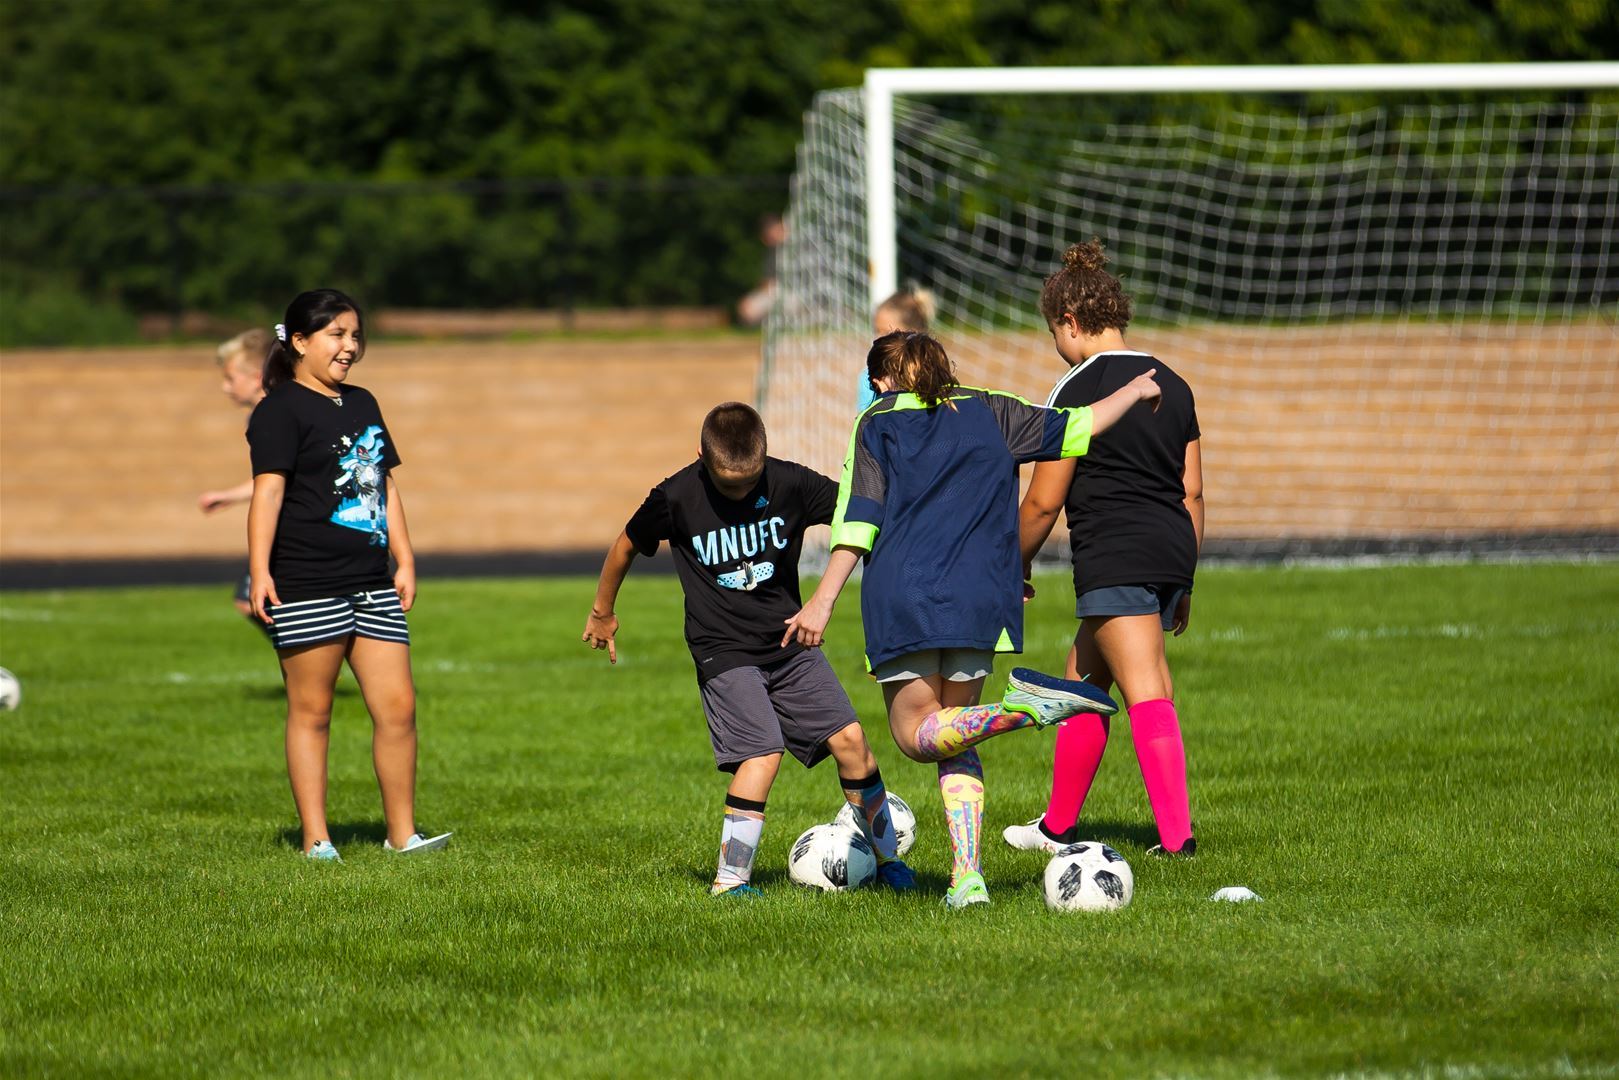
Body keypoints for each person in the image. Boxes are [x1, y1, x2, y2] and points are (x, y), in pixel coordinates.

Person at [784, 331, 1162, 908]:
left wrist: (822, 600)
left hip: (908, 597)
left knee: (916, 738)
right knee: (956, 732)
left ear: (882, 380)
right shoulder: (993, 409)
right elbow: (1079, 426)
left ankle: (1022, 709)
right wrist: (1133, 391)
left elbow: (859, 518)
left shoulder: (878, 421)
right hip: (984, 596)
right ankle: (967, 879)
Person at [583, 402, 916, 898]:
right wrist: (602, 611)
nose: (740, 493)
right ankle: (731, 881)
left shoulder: (792, 483)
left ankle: (889, 861)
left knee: (851, 740)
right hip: (722, 650)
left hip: (789, 640)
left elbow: (859, 514)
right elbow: (625, 545)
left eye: (749, 482)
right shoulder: (676, 496)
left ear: (765, 457)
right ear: (701, 458)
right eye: (728, 485)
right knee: (762, 752)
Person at [1010, 239, 1203, 859]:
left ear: (1070, 322)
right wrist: (1184, 578)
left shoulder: (1074, 390)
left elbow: (1043, 503)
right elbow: (1192, 492)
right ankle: (1056, 828)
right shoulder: (1174, 383)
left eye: (1052, 333)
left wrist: (1012, 565)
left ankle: (1177, 842)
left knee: (1147, 688)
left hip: (1115, 553)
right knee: (1082, 685)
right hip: (1171, 547)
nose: (1055, 345)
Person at [246, 289, 449, 862]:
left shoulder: (363, 402)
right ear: (299, 342)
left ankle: (402, 835)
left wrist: (404, 558)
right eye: (336, 334)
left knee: (399, 708)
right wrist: (259, 570)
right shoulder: (279, 410)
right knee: (312, 713)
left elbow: (385, 485)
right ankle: (317, 840)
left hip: (372, 580)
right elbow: (268, 494)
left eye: (355, 335)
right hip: (307, 582)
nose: (349, 346)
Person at [198, 328, 270, 624]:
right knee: (252, 599)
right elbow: (273, 477)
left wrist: (229, 495)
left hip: (298, 526)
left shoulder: (269, 415)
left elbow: (278, 479)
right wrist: (230, 496)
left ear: (256, 378)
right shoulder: (262, 413)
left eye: (230, 378)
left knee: (253, 599)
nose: (225, 387)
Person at [857, 286, 936, 414]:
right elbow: (866, 421)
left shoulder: (933, 373)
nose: (878, 338)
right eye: (877, 331)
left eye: (886, 332)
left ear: (914, 334)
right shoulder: (868, 379)